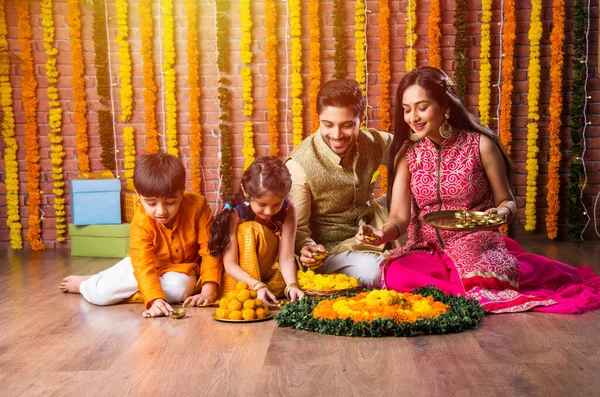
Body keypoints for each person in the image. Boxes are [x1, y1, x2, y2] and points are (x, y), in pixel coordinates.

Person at [359, 66, 600, 313]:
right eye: (407, 109)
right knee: (397, 274)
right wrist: (381, 235)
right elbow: (398, 218)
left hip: (476, 242)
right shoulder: (407, 155)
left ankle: (467, 290)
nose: (413, 117)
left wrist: (498, 215)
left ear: (446, 107)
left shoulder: (480, 145)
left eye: (422, 107)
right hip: (427, 248)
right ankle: (464, 293)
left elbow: (507, 201)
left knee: (477, 276)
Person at [60, 152, 223, 318]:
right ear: (139, 195)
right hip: (143, 264)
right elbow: (143, 265)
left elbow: (210, 249)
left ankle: (115, 281)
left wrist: (208, 291)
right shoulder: (140, 222)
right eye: (151, 203)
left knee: (181, 289)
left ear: (181, 192)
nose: (161, 211)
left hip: (180, 270)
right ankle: (88, 284)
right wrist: (155, 300)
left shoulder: (198, 206)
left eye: (170, 202)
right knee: (100, 295)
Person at [286, 79, 395, 287]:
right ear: (319, 119)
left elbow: (407, 148)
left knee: (419, 197)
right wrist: (307, 250)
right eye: (328, 125)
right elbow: (298, 230)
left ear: (360, 120)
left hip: (371, 228)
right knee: (374, 272)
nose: (337, 136)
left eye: (347, 125)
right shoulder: (300, 166)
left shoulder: (371, 142)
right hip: (332, 250)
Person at [210, 156, 304, 306]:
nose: (269, 211)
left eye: (276, 204)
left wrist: (292, 286)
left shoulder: (289, 210)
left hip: (270, 271)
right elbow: (230, 264)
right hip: (239, 276)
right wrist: (256, 285)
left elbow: (286, 258)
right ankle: (256, 292)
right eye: (262, 204)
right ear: (246, 191)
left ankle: (264, 290)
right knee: (250, 229)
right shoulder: (233, 213)